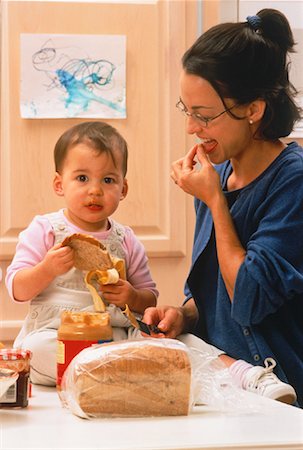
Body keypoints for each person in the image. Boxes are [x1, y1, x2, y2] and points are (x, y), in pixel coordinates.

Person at [143, 9, 303, 407]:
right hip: (222, 383)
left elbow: (247, 301)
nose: (191, 128)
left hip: (277, 394)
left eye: (204, 116)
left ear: (254, 109)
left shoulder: (292, 181)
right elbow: (215, 297)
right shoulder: (221, 172)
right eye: (187, 110)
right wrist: (185, 316)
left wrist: (215, 202)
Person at [5, 121, 158, 386]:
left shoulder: (126, 239)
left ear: (123, 189)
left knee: (162, 342)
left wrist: (132, 295)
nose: (95, 190)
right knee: (38, 350)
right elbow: (17, 289)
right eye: (82, 178)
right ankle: (111, 373)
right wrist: (47, 269)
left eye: (108, 180)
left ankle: (101, 372)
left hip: (113, 332)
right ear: (59, 183)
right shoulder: (47, 229)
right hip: (58, 333)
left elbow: (149, 299)